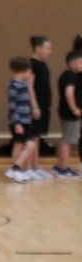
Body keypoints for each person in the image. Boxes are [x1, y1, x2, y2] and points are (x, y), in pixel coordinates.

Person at [54, 48, 82, 177]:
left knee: (65, 139)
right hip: (70, 114)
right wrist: (74, 109)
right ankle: (63, 169)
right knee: (67, 141)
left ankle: (60, 166)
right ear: (72, 62)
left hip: (65, 112)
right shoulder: (70, 76)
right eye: (80, 62)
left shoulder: (67, 75)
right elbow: (69, 93)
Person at [29, 36, 54, 160]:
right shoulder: (32, 65)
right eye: (47, 48)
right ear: (38, 49)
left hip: (43, 106)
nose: (50, 51)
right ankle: (29, 166)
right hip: (36, 106)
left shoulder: (42, 65)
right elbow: (29, 87)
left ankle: (35, 166)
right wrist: (34, 106)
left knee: (37, 136)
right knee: (33, 137)